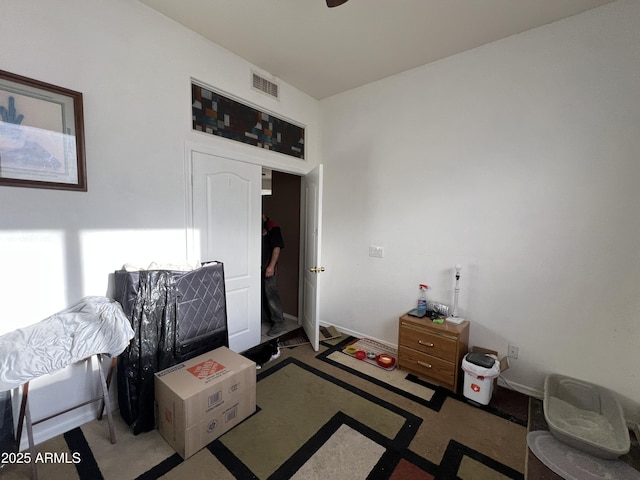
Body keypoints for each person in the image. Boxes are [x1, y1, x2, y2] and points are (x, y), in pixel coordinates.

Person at [262, 213, 285, 336]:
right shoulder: (254, 225)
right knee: (260, 294)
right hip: (255, 267)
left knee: (270, 294)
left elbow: (277, 247)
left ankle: (279, 323)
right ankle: (265, 318)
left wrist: (271, 266)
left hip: (268, 266)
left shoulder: (272, 226)